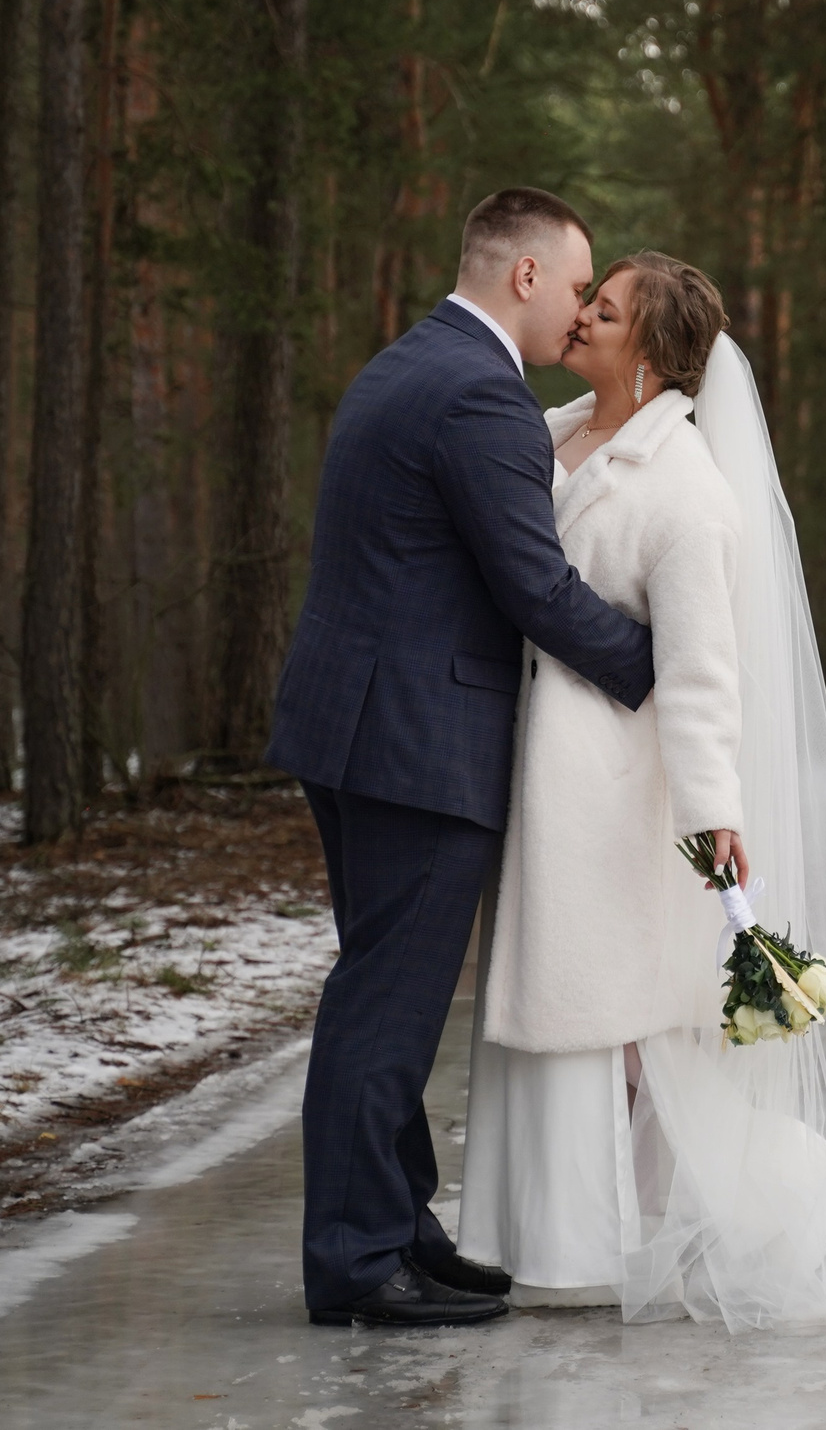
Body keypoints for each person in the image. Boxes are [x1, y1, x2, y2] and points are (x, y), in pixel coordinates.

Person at [458, 252, 826, 1328]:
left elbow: (707, 677)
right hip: (539, 780)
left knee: (601, 1020)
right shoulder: (557, 430)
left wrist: (716, 815)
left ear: (655, 358)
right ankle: (529, 1238)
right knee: (561, 1012)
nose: (579, 318)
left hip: (616, 797)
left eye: (604, 311)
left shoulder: (689, 493)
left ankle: (677, 1226)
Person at [266, 189, 657, 1329]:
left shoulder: (404, 363)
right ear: (526, 277)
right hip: (416, 746)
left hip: (353, 729)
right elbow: (534, 588)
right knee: (382, 1011)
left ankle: (401, 1230)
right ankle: (352, 1261)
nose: (582, 311)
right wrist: (659, 667)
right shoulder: (482, 393)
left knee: (378, 993)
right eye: (578, 286)